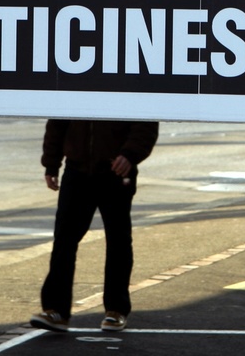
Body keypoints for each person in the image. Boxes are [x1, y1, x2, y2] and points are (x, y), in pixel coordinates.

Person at [30, 119, 159, 333]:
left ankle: (116, 310)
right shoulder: (74, 94)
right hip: (76, 169)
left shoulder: (130, 93)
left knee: (118, 240)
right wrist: (51, 164)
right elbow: (58, 120)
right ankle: (56, 311)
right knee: (64, 240)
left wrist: (130, 154)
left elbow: (145, 122)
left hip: (117, 169)